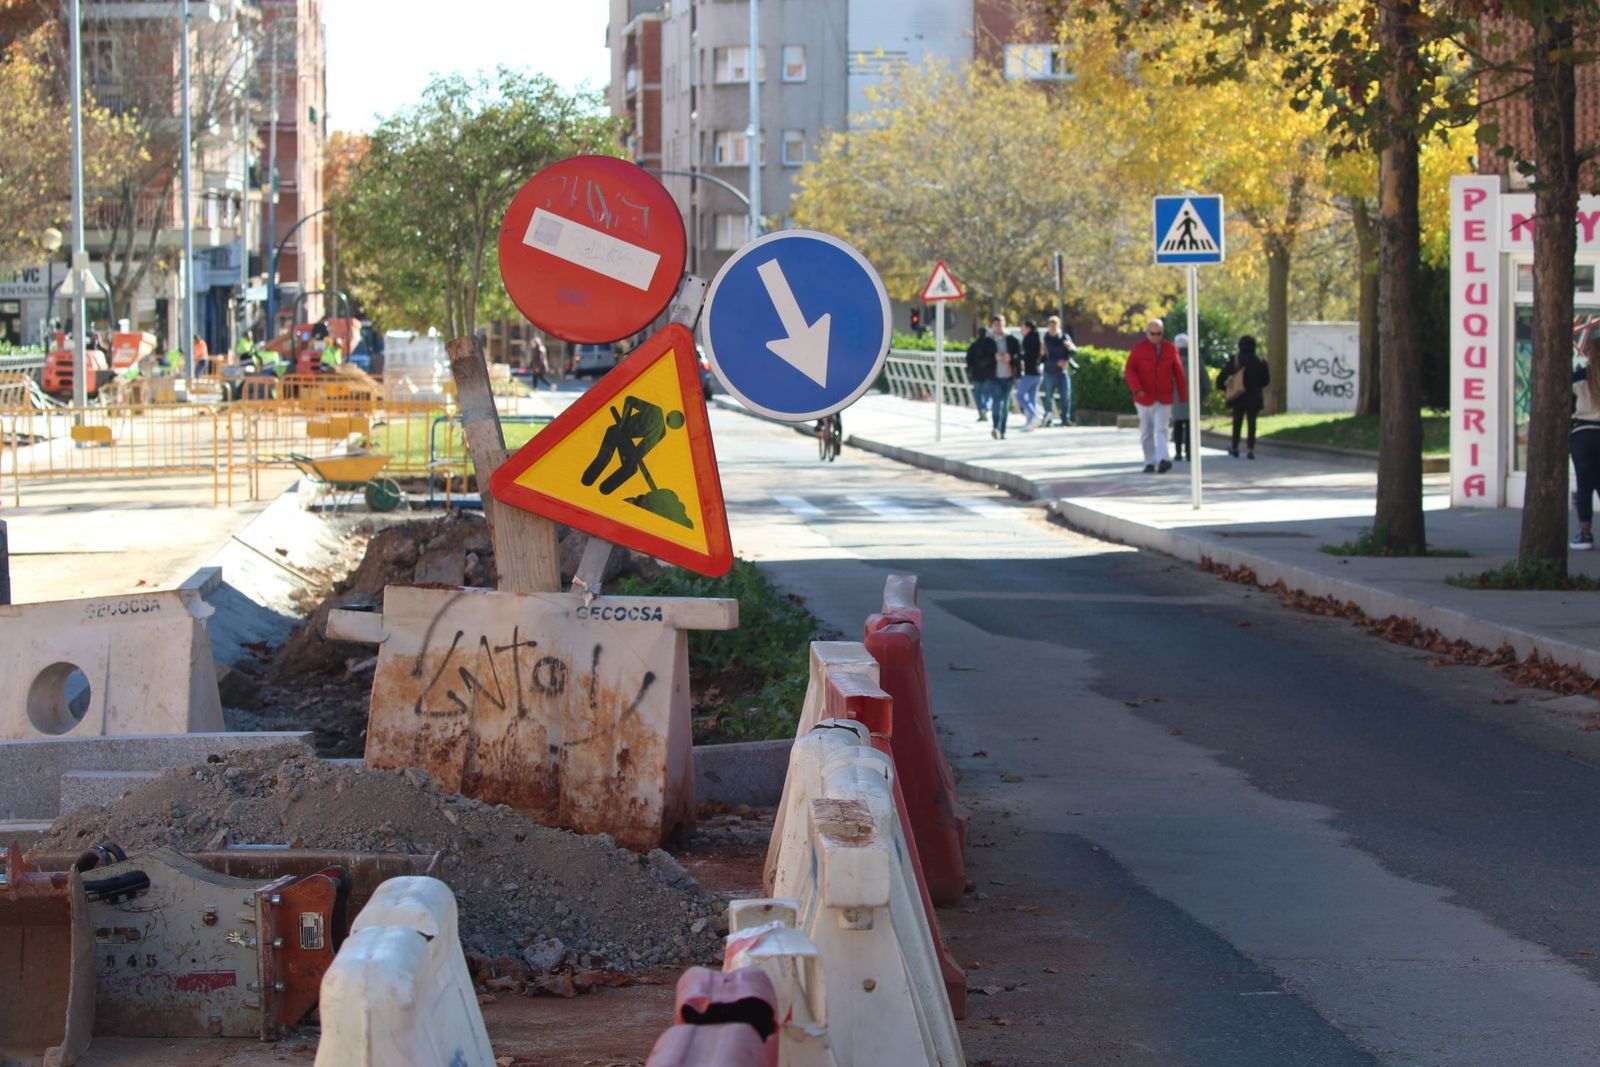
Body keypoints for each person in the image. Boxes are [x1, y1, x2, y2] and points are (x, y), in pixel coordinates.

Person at [1124, 318, 1187, 473]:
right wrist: (1137, 389)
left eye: (1158, 334)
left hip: (1164, 397)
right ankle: (1149, 462)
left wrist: (1183, 394)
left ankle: (1163, 459)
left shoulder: (1170, 349)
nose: (1156, 337)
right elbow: (1130, 371)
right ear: (1147, 333)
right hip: (1143, 397)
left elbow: (1178, 372)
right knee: (1146, 431)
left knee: (1161, 429)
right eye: (1152, 334)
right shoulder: (1138, 350)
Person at [1571, 334, 1600, 550]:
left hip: (1582, 435)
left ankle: (1585, 533)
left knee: (1584, 485)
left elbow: (1567, 404)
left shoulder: (1578, 377)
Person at [1218, 335, 1269, 458]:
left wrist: (1226, 388)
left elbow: (1221, 378)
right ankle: (1250, 449)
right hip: (1254, 396)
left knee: (1237, 422)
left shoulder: (1236, 360)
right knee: (1252, 423)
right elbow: (1266, 380)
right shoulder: (1260, 361)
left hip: (1238, 397)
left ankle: (1235, 447)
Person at [1170, 332, 1210, 461]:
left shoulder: (1171, 359)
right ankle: (1189, 452)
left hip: (1175, 398)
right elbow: (1204, 379)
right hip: (1192, 398)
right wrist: (1204, 394)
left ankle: (1177, 452)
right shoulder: (1195, 359)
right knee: (1190, 426)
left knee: (1177, 424)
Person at [1040, 316, 1076, 427]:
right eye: (1051, 326)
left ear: (1059, 326)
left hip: (1063, 372)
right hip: (1049, 371)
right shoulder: (1044, 340)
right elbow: (1042, 359)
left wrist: (1071, 348)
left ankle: (1066, 419)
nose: (1053, 328)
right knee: (1049, 396)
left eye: (1055, 326)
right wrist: (1056, 363)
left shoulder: (1064, 337)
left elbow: (1074, 351)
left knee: (1066, 396)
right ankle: (1048, 418)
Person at [988, 314, 1018, 439]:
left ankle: (1003, 430)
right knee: (996, 403)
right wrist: (994, 357)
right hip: (994, 376)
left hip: (1008, 376)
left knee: (1005, 404)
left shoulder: (1011, 340)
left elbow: (1019, 355)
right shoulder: (988, 341)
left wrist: (1011, 358)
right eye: (996, 324)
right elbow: (982, 357)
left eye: (1001, 324)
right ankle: (996, 427)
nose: (999, 327)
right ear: (992, 326)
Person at [1016, 321, 1043, 430]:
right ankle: (1030, 423)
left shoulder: (1027, 339)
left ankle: (1035, 414)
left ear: (1028, 328)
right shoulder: (1038, 339)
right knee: (1032, 398)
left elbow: (1026, 356)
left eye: (1023, 327)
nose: (1021, 330)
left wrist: (1020, 359)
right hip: (1038, 373)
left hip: (1029, 372)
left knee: (1020, 396)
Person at [965, 324, 995, 423]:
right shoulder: (991, 344)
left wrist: (969, 370)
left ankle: (981, 411)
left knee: (978, 394)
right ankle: (986, 408)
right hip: (989, 373)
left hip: (976, 373)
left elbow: (968, 359)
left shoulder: (974, 345)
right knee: (988, 393)